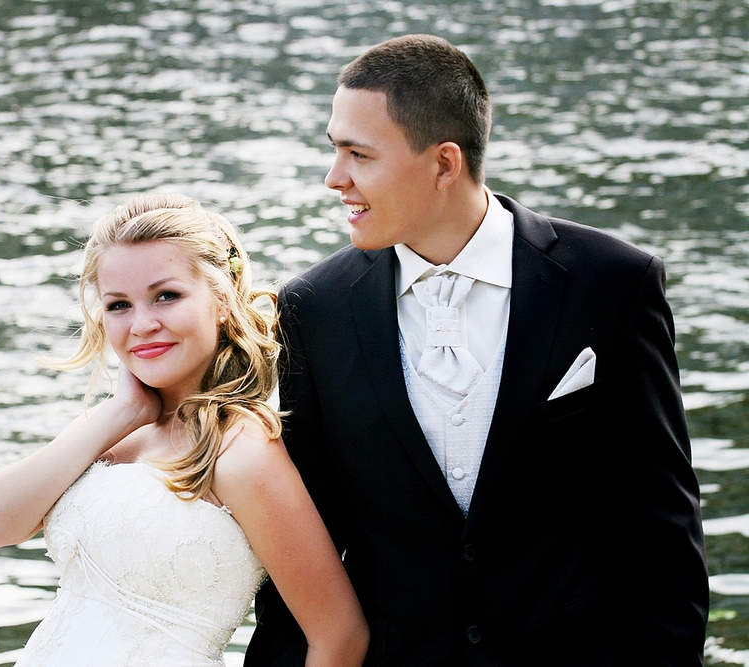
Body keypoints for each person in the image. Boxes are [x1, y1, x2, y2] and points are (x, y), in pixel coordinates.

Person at [245, 34, 708, 667]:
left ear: (444, 164)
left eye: (359, 155)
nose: (335, 179)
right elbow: (307, 541)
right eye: (335, 150)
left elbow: (663, 522)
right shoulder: (313, 308)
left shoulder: (611, 284)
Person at [0, 193, 369, 667]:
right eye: (119, 304)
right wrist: (123, 411)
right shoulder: (111, 429)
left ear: (221, 300)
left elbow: (339, 637)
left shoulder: (241, 448)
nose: (142, 324)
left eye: (166, 296)